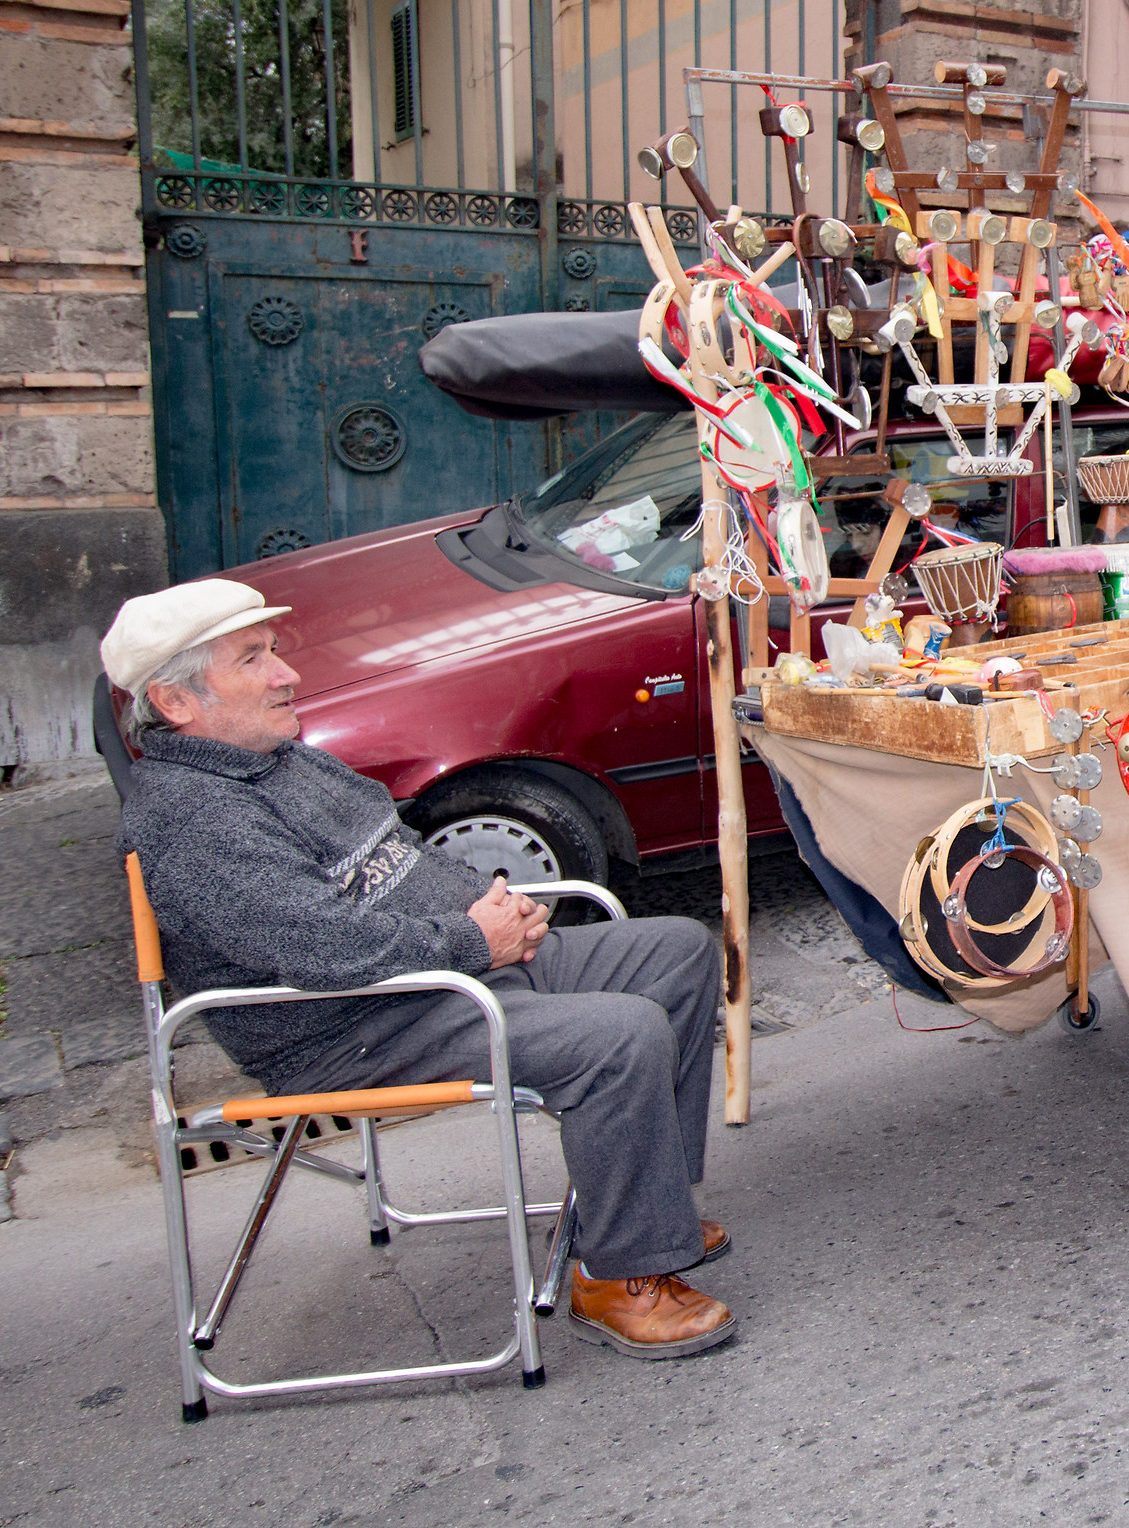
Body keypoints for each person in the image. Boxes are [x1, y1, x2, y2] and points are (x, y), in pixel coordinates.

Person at [103, 579, 736, 1359]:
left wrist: (496, 906)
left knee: (677, 951)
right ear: (174, 702)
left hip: (436, 976)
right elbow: (325, 948)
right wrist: (473, 939)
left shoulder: (274, 760)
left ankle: (648, 1208)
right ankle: (621, 1275)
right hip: (356, 1025)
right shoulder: (194, 820)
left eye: (273, 652)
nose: (286, 674)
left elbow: (400, 855)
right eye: (253, 659)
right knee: (621, 1035)